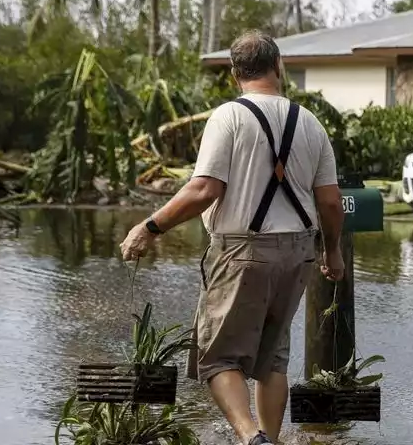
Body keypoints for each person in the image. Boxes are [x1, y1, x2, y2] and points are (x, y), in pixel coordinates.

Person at [120, 30, 346, 445]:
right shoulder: (310, 122)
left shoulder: (229, 116)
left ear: (233, 74)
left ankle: (249, 437)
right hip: (298, 252)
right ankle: (270, 441)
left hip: (243, 251)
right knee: (272, 358)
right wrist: (332, 251)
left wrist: (149, 227)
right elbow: (330, 203)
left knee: (219, 357)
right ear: (280, 68)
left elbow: (204, 190)